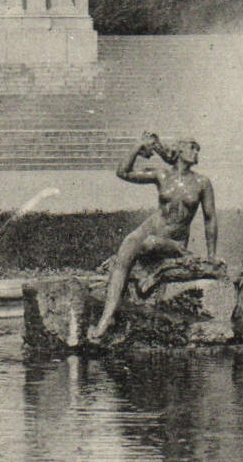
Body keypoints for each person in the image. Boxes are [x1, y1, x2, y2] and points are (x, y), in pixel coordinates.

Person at [89, 134, 219, 342]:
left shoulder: (202, 182)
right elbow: (123, 172)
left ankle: (110, 314)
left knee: (149, 244)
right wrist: (138, 145)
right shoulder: (162, 175)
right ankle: (107, 317)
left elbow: (210, 218)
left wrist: (212, 255)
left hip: (174, 241)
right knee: (127, 247)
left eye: (197, 149)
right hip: (151, 227)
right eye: (193, 147)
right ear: (179, 150)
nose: (196, 152)